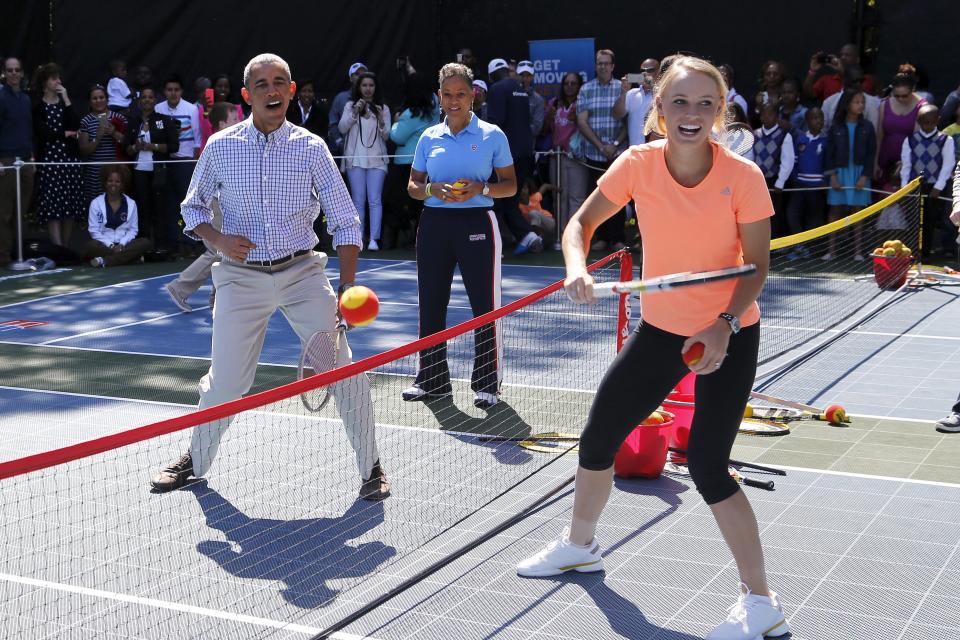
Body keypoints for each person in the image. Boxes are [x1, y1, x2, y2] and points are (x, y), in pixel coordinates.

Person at [516, 55, 790, 640]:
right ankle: (579, 545)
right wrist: (575, 268)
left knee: (711, 467)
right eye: (680, 103)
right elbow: (578, 228)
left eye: (705, 105)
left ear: (721, 112)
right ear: (658, 109)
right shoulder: (637, 164)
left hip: (729, 332)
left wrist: (722, 324)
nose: (692, 115)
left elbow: (758, 267)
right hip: (661, 329)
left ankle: (761, 602)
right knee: (598, 438)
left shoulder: (743, 177)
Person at [149, 53, 388, 502]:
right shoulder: (221, 147)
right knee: (226, 384)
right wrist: (218, 239)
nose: (273, 90)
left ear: (292, 91)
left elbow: (345, 221)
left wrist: (348, 286)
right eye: (262, 84)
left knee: (343, 372)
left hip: (302, 273)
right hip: (240, 279)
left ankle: (371, 466)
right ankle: (195, 461)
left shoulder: (312, 148)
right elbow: (191, 208)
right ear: (247, 96)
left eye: (281, 82)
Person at [401, 62, 516, 410]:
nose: (454, 101)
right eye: (448, 94)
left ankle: (487, 384)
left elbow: (510, 186)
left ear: (473, 96)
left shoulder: (493, 135)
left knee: (485, 306)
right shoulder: (428, 137)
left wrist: (482, 188)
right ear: (440, 96)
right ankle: (431, 380)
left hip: (478, 224)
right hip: (434, 225)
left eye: (461, 94)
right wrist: (432, 189)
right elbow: (413, 186)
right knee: (431, 304)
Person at [163, 102, 238, 312]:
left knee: (225, 252)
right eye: (234, 119)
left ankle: (217, 297)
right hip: (217, 201)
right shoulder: (219, 145)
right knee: (218, 250)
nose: (239, 123)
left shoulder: (231, 143)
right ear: (223, 123)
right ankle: (180, 288)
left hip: (227, 201)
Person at [486, 57, 542, 255]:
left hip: (505, 156)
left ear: (492, 75)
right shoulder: (520, 90)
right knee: (510, 201)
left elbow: (494, 124)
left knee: (494, 200)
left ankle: (494, 245)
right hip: (525, 154)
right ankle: (528, 236)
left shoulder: (497, 89)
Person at [578, 49, 626, 251]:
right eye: (599, 63)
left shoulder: (623, 88)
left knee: (619, 197)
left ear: (613, 66)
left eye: (607, 63)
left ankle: (617, 238)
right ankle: (601, 238)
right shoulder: (586, 89)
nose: (603, 66)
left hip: (618, 153)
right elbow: (582, 121)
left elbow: (628, 121)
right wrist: (600, 146)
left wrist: (613, 145)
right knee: (596, 196)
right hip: (594, 154)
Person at [32, 63, 83, 248]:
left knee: (69, 204)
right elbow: (44, 133)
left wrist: (67, 99)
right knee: (53, 204)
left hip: (69, 160)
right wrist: (64, 134)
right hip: (51, 160)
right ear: (45, 82)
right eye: (54, 78)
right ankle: (57, 247)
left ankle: (66, 247)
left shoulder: (64, 104)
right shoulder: (38, 107)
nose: (58, 81)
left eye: (59, 78)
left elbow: (75, 124)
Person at [339, 72, 391, 251]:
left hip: (377, 160)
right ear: (359, 88)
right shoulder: (350, 105)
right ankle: (359, 237)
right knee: (358, 200)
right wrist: (354, 112)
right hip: (355, 160)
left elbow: (386, 135)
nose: (368, 89)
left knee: (375, 200)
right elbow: (342, 128)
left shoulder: (382, 107)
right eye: (364, 85)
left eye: (371, 85)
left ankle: (374, 239)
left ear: (375, 88)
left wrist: (381, 119)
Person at [388, 72, 439, 249]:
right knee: (422, 203)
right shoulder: (434, 106)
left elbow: (396, 136)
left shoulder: (410, 114)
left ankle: (393, 241)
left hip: (407, 163)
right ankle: (420, 238)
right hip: (429, 161)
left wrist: (395, 122)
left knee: (400, 203)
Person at [823, 90, 876, 260]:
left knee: (857, 212)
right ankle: (831, 251)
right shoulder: (835, 127)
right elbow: (829, 153)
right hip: (840, 173)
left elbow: (871, 154)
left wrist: (864, 176)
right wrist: (832, 176)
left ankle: (858, 252)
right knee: (835, 210)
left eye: (862, 102)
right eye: (856, 102)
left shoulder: (868, 127)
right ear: (847, 105)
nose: (860, 105)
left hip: (859, 173)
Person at [123, 87, 180, 246]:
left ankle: (162, 246)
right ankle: (144, 245)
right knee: (143, 208)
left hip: (159, 171)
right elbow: (126, 148)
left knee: (160, 208)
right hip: (139, 171)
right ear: (139, 101)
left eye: (150, 97)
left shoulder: (163, 120)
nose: (147, 100)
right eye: (144, 98)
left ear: (155, 100)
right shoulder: (133, 121)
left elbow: (174, 146)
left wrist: (153, 146)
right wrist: (136, 147)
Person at [155, 74, 202, 255]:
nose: (173, 93)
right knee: (169, 203)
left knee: (187, 203)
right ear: (165, 92)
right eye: (169, 90)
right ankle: (173, 242)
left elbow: (197, 139)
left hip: (185, 162)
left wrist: (193, 162)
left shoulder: (191, 109)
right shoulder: (158, 109)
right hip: (165, 162)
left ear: (181, 91)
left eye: (176, 90)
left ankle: (191, 243)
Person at [900, 105, 955, 256]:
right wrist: (904, 187)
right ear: (918, 121)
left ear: (938, 120)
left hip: (935, 187)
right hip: (915, 185)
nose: (928, 125)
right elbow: (906, 165)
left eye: (931, 122)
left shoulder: (945, 140)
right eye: (924, 122)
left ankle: (925, 253)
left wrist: (938, 186)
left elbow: (948, 165)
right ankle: (912, 253)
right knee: (913, 220)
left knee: (930, 220)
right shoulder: (910, 140)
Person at [0, 56, 34, 267]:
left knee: (21, 212)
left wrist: (31, 156)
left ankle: (17, 253)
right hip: (6, 160)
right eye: (10, 70)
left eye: (17, 70)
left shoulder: (26, 99)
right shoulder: (1, 97)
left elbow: (27, 130)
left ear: (22, 73)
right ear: (5, 73)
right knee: (4, 212)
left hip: (26, 161)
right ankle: (3, 256)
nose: (13, 73)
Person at [547, 71, 588, 237]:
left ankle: (574, 233)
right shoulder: (554, 103)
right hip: (556, 156)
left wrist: (576, 119)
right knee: (559, 196)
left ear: (579, 86)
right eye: (567, 83)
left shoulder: (582, 104)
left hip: (577, 157)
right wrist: (548, 119)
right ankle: (562, 232)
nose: (570, 87)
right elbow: (544, 131)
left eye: (573, 84)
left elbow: (587, 128)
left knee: (576, 197)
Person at [85, 164, 152, 267]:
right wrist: (111, 245)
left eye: (117, 181)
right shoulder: (96, 203)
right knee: (90, 246)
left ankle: (104, 261)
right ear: (105, 182)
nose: (113, 184)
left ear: (122, 184)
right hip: (104, 246)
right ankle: (131, 258)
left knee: (145, 242)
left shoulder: (131, 203)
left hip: (124, 245)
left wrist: (121, 244)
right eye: (110, 181)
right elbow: (94, 231)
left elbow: (133, 230)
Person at [77, 85, 127, 207]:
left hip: (116, 171)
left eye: (101, 97)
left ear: (107, 99)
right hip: (94, 173)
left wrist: (114, 133)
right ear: (90, 101)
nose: (98, 101)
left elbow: (128, 144)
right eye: (94, 98)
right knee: (96, 205)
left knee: (116, 204)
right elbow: (84, 150)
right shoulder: (86, 121)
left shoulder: (119, 117)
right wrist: (97, 137)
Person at [786, 107, 828, 250]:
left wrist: (825, 182)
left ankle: (813, 248)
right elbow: (794, 162)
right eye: (814, 118)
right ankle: (798, 245)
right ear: (807, 121)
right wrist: (795, 179)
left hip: (817, 186)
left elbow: (827, 164)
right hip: (800, 184)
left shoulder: (826, 140)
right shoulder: (800, 139)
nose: (818, 121)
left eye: (820, 118)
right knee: (793, 212)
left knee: (815, 216)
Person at [876, 67, 926, 187]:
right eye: (897, 95)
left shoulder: (922, 106)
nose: (900, 99)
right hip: (885, 158)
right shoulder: (885, 104)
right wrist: (875, 163)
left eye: (904, 96)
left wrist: (906, 163)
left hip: (909, 161)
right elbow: (879, 136)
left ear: (913, 89)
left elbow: (919, 139)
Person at [752, 102, 794, 236]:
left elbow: (788, 161)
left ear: (777, 117)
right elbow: (751, 157)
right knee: (757, 213)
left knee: (774, 213)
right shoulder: (755, 134)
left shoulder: (784, 135)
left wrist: (780, 182)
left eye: (770, 114)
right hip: (758, 180)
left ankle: (774, 243)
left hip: (774, 181)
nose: (766, 117)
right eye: (764, 114)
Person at [821, 65, 881, 135]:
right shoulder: (829, 102)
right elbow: (823, 131)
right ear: (844, 80)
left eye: (861, 81)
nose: (858, 84)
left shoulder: (872, 102)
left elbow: (873, 132)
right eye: (855, 81)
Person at [613, 57, 659, 147]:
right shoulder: (631, 94)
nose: (645, 73)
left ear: (659, 73)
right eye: (642, 70)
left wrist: (654, 87)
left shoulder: (664, 93)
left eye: (650, 70)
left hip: (656, 151)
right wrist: (623, 92)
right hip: (635, 153)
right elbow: (616, 115)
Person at [328, 62, 367, 156]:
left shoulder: (374, 99)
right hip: (348, 152)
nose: (360, 77)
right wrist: (339, 141)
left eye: (363, 75)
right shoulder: (341, 98)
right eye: (357, 74)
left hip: (369, 150)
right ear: (351, 78)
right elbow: (333, 122)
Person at [198, 75, 246, 148]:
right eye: (219, 86)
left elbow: (238, 131)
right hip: (209, 149)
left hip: (230, 148)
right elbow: (207, 132)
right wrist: (206, 110)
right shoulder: (204, 108)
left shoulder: (237, 108)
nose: (223, 89)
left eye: (226, 86)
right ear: (213, 88)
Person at [517, 60, 544, 138]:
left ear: (532, 77)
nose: (524, 79)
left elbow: (537, 128)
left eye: (528, 75)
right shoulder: (507, 95)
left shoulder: (538, 100)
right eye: (521, 75)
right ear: (516, 75)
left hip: (528, 145)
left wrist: (515, 128)